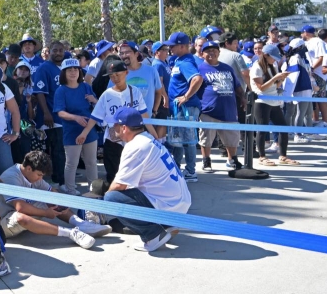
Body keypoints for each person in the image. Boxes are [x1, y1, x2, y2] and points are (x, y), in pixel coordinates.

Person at [103, 108, 191, 252]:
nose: (113, 129)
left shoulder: (135, 146)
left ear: (124, 128)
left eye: (115, 126)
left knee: (111, 198)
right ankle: (165, 225)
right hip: (178, 202)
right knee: (127, 192)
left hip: (169, 205)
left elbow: (119, 185)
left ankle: (153, 235)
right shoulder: (147, 139)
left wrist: (98, 205)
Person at [0, 151, 110, 248]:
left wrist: (63, 205)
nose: (40, 179)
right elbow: (20, 207)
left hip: (19, 211)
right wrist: (46, 213)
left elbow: (52, 193)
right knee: (21, 217)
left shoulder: (32, 174)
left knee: (51, 201)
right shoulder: (10, 177)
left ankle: (81, 224)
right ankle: (71, 233)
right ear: (28, 168)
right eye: (39, 175)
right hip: (2, 222)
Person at [75, 62, 151, 187]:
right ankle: (115, 200)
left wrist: (153, 136)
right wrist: (84, 133)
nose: (115, 78)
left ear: (126, 73)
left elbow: (144, 115)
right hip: (113, 139)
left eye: (117, 74)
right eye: (111, 76)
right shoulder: (107, 95)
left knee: (134, 173)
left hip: (133, 139)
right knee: (114, 173)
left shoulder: (135, 91)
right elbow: (95, 116)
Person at [52, 58, 99, 189]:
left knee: (91, 163)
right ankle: (70, 192)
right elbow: (60, 112)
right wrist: (75, 118)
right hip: (71, 131)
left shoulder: (86, 87)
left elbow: (99, 107)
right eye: (69, 70)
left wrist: (94, 100)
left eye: (76, 69)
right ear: (63, 73)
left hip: (89, 130)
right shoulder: (61, 91)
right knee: (72, 163)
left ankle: (93, 192)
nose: (73, 72)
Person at [196, 41, 243, 172]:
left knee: (232, 137)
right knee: (206, 138)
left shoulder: (227, 68)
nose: (212, 53)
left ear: (219, 52)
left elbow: (237, 86)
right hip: (208, 110)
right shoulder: (199, 69)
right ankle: (206, 161)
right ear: (202, 54)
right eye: (208, 51)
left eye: (214, 50)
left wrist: (243, 98)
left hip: (228, 109)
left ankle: (232, 159)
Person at [250, 44, 297, 165]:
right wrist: (275, 77)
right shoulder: (257, 67)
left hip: (274, 100)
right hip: (261, 101)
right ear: (265, 55)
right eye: (273, 57)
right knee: (262, 129)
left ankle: (283, 155)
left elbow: (275, 86)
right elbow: (261, 88)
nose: (275, 59)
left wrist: (281, 78)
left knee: (283, 127)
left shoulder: (273, 66)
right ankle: (262, 156)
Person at [165, 32, 203, 181]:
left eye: (173, 46)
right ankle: (180, 168)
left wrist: (186, 96)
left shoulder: (186, 61)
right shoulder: (180, 60)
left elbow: (197, 79)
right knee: (179, 140)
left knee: (187, 140)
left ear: (182, 46)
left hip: (187, 107)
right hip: (181, 107)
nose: (170, 49)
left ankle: (191, 171)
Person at [31, 42, 67, 188]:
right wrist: (46, 113)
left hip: (63, 116)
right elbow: (39, 93)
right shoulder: (44, 68)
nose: (58, 53)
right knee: (56, 150)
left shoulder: (64, 68)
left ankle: (59, 180)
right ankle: (58, 182)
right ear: (49, 51)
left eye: (60, 50)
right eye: (55, 50)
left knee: (60, 150)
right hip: (51, 116)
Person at [282, 38, 314, 142]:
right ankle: (297, 135)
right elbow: (293, 75)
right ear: (299, 47)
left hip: (306, 88)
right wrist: (289, 91)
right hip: (300, 88)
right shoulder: (295, 58)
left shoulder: (303, 58)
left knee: (304, 112)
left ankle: (294, 133)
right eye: (303, 46)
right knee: (299, 112)